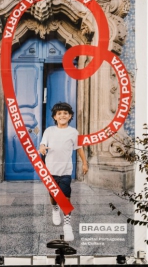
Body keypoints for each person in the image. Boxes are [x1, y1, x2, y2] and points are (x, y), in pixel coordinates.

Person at [38, 102, 88, 242]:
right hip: (50, 171)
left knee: (65, 197)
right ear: (55, 117)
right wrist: (41, 148)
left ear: (70, 116)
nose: (62, 115)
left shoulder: (73, 132)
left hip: (65, 171)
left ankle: (67, 225)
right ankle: (55, 209)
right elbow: (42, 144)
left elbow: (79, 148)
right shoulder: (49, 131)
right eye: (59, 113)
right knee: (54, 196)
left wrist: (84, 163)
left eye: (65, 113)